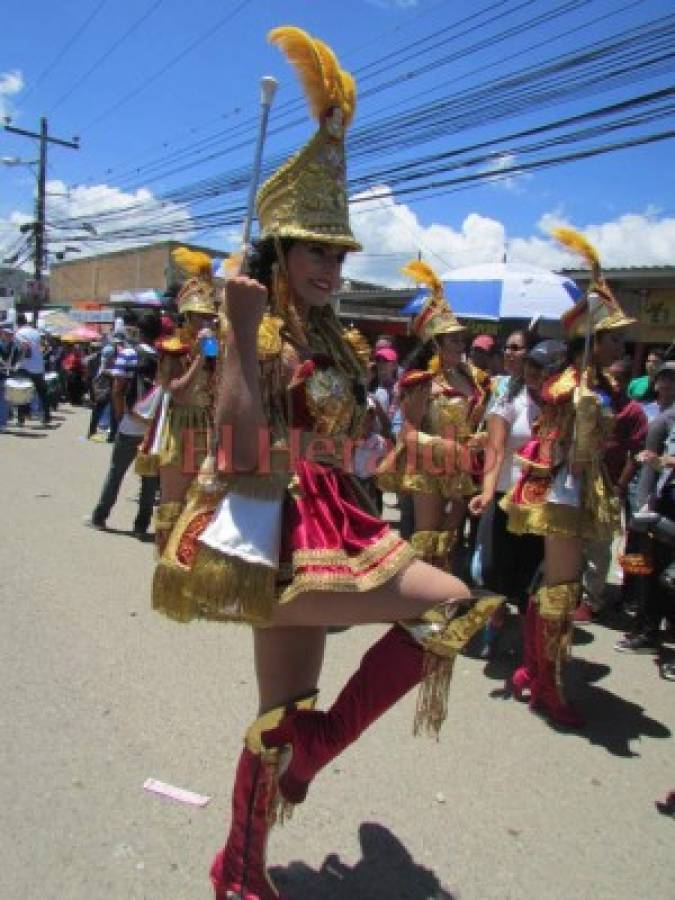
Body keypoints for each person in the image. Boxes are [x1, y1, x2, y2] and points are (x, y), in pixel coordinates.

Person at [151, 28, 500, 900]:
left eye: (340, 254)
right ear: (277, 252)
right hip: (273, 531)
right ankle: (306, 761)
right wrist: (233, 331)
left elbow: (361, 449)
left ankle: (239, 868)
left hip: (337, 523)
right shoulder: (259, 328)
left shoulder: (338, 341)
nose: (333, 267)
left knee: (282, 719)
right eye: (315, 250)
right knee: (452, 603)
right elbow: (233, 449)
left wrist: (427, 450)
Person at [500, 227, 635, 727]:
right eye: (615, 336)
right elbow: (554, 436)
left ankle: (536, 673)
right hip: (564, 488)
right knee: (560, 589)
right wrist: (579, 414)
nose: (621, 343)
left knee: (559, 587)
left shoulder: (592, 383)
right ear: (593, 339)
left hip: (578, 488)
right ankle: (546, 684)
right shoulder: (570, 384)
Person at [389, 260, 487, 571]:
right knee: (427, 536)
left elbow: (471, 423)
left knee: (450, 534)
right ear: (437, 344)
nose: (462, 344)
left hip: (459, 466)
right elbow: (407, 432)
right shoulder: (421, 382)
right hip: (428, 465)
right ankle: (419, 605)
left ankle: (441, 597)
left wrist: (476, 440)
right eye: (454, 339)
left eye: (462, 338)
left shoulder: (472, 380)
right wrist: (442, 446)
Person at [469, 339, 549, 661]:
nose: (534, 372)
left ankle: (531, 648)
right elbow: (495, 449)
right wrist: (487, 492)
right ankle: (495, 621)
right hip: (504, 497)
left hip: (541, 504)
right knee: (491, 570)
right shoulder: (507, 400)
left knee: (531, 577)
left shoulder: (562, 407)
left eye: (542, 367)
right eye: (530, 364)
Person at [139, 250, 217, 553]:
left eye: (210, 316)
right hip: (180, 427)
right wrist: (198, 358)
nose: (206, 322)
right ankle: (167, 564)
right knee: (173, 503)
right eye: (200, 316)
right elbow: (176, 391)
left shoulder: (215, 349)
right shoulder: (173, 348)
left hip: (207, 428)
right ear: (187, 315)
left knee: (203, 502)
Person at [573, 353, 648, 623]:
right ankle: (572, 591)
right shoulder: (590, 401)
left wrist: (618, 487)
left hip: (609, 483)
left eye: (618, 378)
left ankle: (591, 600)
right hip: (581, 478)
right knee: (574, 541)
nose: (612, 382)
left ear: (627, 381)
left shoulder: (633, 412)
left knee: (599, 544)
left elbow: (635, 454)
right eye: (609, 377)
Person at [615, 361, 675, 654]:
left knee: (661, 568)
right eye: (664, 379)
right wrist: (626, 486)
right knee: (636, 554)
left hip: (661, 499)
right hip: (643, 493)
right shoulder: (647, 411)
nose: (667, 385)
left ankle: (654, 622)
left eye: (673, 380)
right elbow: (633, 452)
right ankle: (630, 599)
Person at [86, 315, 160, 536]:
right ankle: (141, 526)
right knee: (149, 479)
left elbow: (118, 389)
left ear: (139, 331)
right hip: (154, 425)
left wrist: (120, 417)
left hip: (130, 423)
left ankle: (100, 516)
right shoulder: (163, 356)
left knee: (116, 472)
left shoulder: (128, 354)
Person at [13, 312, 51, 426]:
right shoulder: (36, 332)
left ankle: (21, 418)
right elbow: (41, 348)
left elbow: (20, 351)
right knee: (42, 393)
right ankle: (46, 416)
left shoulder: (18, 333)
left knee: (21, 392)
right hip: (38, 366)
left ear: (18, 323)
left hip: (24, 366)